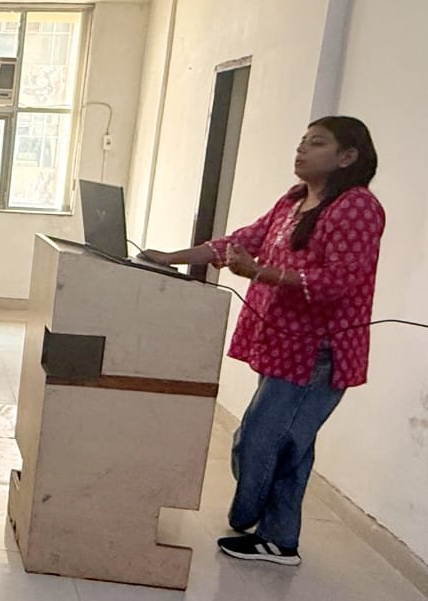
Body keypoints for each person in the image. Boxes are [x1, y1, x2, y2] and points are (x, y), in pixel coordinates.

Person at [142, 116, 383, 566]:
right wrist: (169, 258)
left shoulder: (357, 207)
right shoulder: (295, 200)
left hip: (319, 350)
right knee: (284, 442)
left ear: (347, 156)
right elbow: (240, 242)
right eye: (302, 140)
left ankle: (266, 528)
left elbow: (338, 282)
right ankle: (274, 533)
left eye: (316, 143)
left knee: (266, 441)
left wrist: (260, 272)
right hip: (285, 343)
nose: (301, 149)